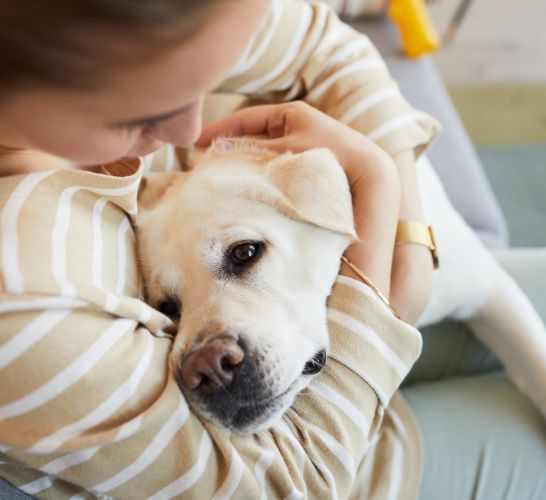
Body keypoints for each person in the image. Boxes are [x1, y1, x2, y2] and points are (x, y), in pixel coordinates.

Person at [0, 0, 440, 497]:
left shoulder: (182, 18)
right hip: (358, 461)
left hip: (335, 357)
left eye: (207, 81)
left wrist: (410, 244)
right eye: (152, 101)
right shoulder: (23, 296)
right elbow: (299, 484)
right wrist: (377, 188)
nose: (192, 133)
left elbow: (330, 47)